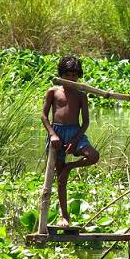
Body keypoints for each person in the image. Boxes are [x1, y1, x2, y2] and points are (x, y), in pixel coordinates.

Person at [41, 56, 99, 227]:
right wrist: (52, 134)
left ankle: (69, 167)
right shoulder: (53, 91)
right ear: (61, 74)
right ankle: (65, 216)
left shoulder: (81, 95)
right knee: (61, 180)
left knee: (93, 156)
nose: (72, 79)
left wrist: (75, 140)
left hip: (75, 132)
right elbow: (44, 116)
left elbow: (86, 122)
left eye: (75, 75)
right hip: (57, 133)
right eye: (68, 75)